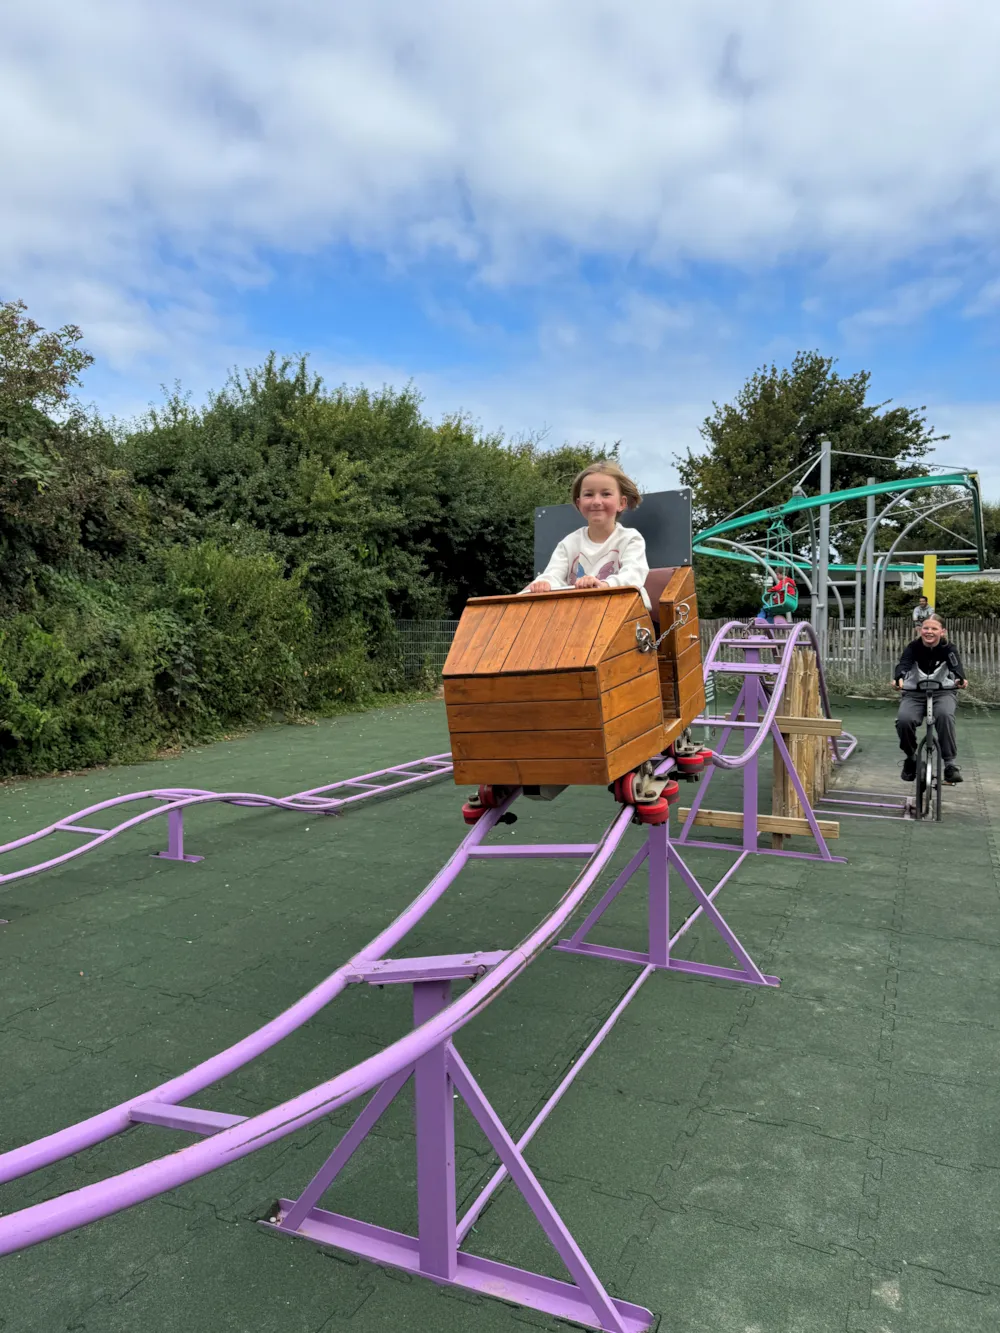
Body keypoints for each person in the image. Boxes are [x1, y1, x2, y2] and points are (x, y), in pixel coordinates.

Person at [524, 461, 651, 608]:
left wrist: (604, 585)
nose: (596, 501)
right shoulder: (569, 543)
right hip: (581, 613)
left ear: (621, 503)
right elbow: (553, 574)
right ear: (579, 503)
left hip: (626, 611)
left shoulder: (630, 539)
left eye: (606, 494)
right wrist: (544, 583)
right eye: (589, 494)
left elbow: (633, 574)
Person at [893, 614, 967, 784]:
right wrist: (898, 678)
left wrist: (960, 679)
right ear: (920, 630)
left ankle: (950, 765)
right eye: (926, 628)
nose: (929, 631)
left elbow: (956, 666)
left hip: (943, 692)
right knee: (904, 720)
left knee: (945, 716)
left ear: (942, 631)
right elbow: (903, 664)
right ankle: (911, 757)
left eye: (934, 628)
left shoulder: (949, 648)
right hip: (914, 693)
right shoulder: (913, 647)